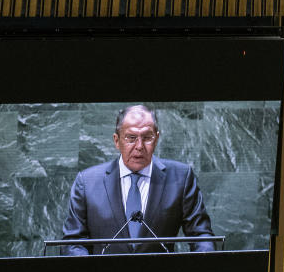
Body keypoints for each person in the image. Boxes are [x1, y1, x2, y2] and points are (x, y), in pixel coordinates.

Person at [62, 105, 215, 255]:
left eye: (147, 138)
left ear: (156, 139)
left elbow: (201, 236)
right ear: (117, 140)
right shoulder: (88, 182)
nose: (140, 146)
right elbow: (72, 242)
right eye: (131, 138)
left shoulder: (181, 177)